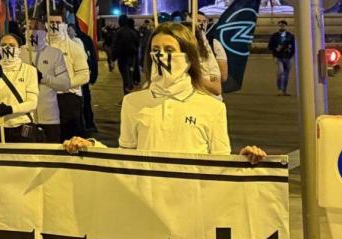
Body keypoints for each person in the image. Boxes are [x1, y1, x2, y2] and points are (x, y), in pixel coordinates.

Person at [64, 23, 266, 163]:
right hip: (148, 208)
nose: (161, 56)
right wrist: (91, 146)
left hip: (193, 209)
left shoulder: (213, 107)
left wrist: (245, 160)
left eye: (169, 50)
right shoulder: (133, 103)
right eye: (156, 49)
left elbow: (220, 163)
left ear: (187, 57)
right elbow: (125, 158)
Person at [0, 33, 39, 142]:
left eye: (12, 45)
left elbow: (32, 103)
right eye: (3, 45)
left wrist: (11, 109)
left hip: (20, 125)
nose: (7, 48)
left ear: (19, 49)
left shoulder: (29, 70)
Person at [21, 17, 70, 143]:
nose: (33, 32)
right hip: (24, 118)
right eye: (30, 28)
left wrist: (43, 78)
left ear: (45, 32)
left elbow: (65, 84)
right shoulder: (19, 53)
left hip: (49, 118)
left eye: (37, 28)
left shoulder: (55, 54)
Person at [47, 12, 90, 140]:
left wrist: (64, 84)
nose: (54, 25)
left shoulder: (74, 47)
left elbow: (84, 75)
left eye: (57, 23)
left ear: (64, 25)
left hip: (68, 99)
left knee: (71, 138)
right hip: (46, 100)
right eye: (51, 23)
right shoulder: (39, 48)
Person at [196, 12, 228, 97]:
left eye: (204, 21)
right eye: (198, 20)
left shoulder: (214, 44)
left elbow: (223, 77)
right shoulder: (181, 43)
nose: (201, 24)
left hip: (210, 98)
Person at [113, 15, 141, 94]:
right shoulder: (133, 32)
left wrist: (113, 58)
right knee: (129, 76)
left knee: (126, 78)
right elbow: (137, 43)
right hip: (132, 58)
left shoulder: (119, 32)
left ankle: (127, 95)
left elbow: (116, 46)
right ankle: (129, 93)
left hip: (122, 58)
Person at [268, 20, 296, 96]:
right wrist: (275, 49)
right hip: (278, 57)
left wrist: (291, 54)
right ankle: (280, 89)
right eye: (280, 25)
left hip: (288, 57)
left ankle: (284, 90)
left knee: (286, 74)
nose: (282, 27)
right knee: (280, 72)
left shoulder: (290, 36)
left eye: (283, 25)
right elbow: (270, 46)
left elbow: (294, 47)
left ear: (286, 26)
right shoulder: (274, 36)